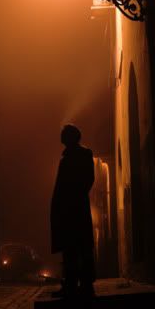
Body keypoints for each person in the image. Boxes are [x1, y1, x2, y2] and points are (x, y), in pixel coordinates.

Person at [51, 124, 95, 298]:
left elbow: (87, 179)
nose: (61, 136)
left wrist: (73, 196)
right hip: (71, 206)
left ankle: (81, 283)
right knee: (72, 246)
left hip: (74, 206)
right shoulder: (70, 156)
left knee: (78, 245)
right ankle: (74, 283)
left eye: (64, 134)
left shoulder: (82, 154)